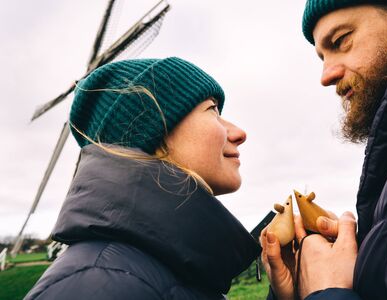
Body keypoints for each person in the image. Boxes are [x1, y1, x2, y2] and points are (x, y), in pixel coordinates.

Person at [25, 57, 260, 299]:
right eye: (212, 110)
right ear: (150, 130)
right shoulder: (96, 285)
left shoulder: (156, 272)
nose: (239, 133)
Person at [262, 0, 387, 299]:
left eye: (340, 41)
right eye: (322, 57)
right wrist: (363, 254)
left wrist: (327, 291)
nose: (326, 76)